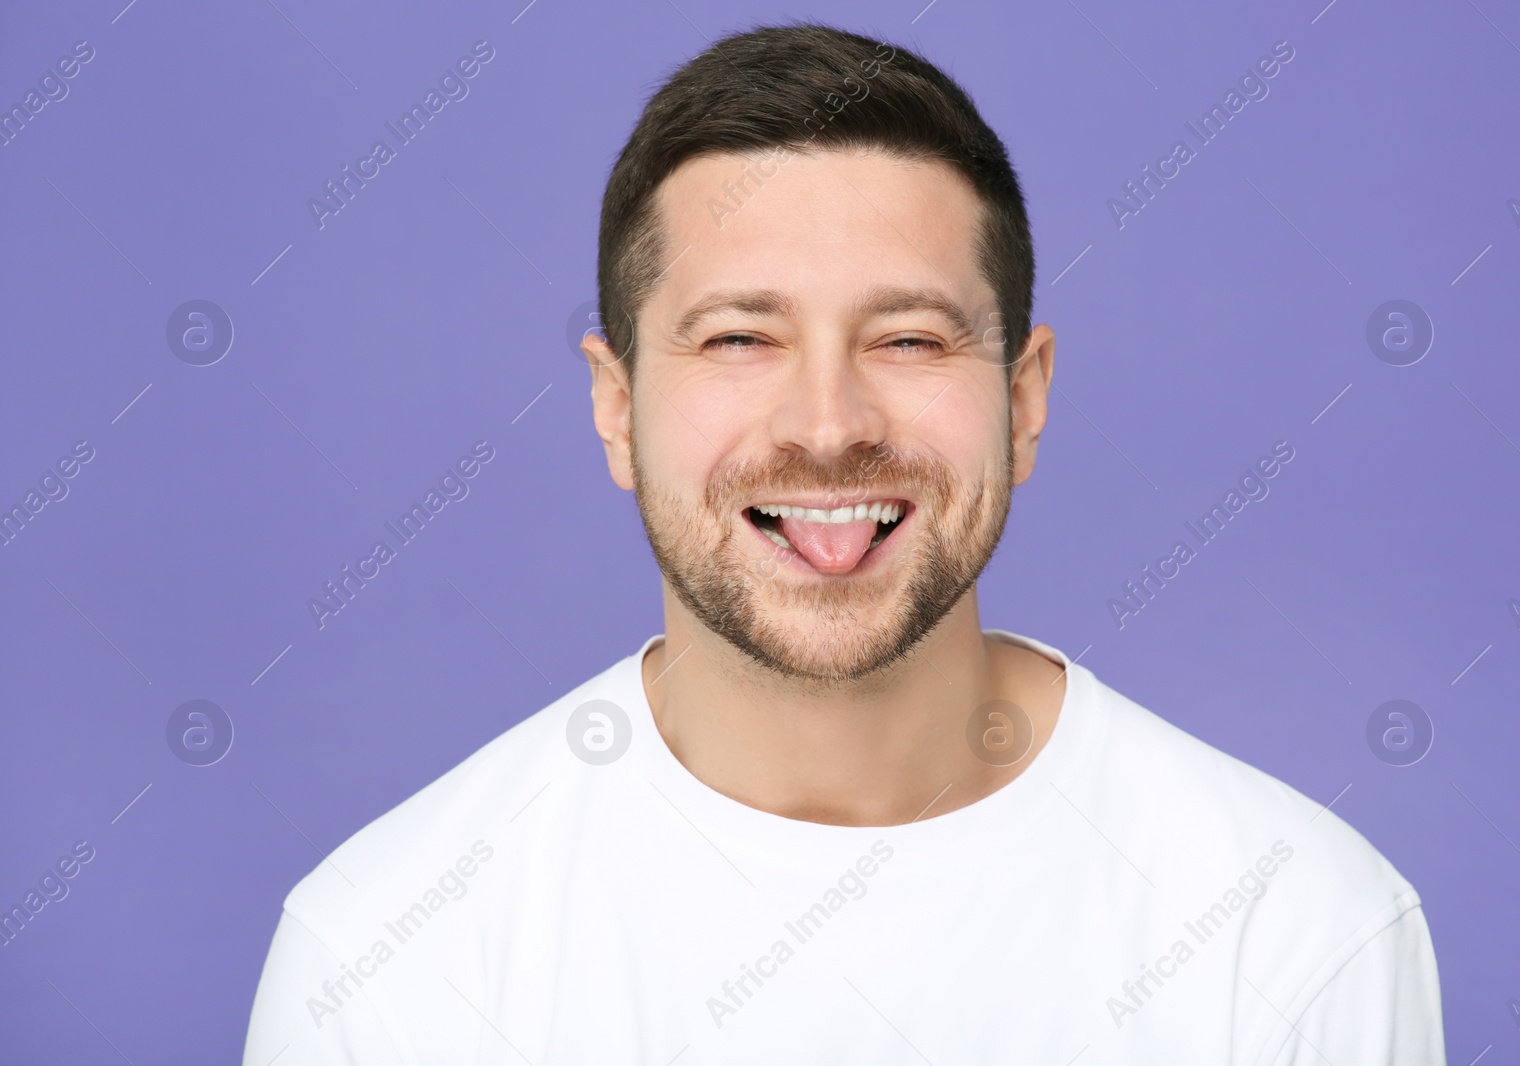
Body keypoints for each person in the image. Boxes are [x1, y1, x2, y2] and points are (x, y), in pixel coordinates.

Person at [243, 22, 1446, 1064]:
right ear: (616, 408)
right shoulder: (390, 958)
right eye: (737, 340)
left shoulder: (1292, 934)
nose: (829, 426)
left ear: (1024, 401)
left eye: (910, 340)